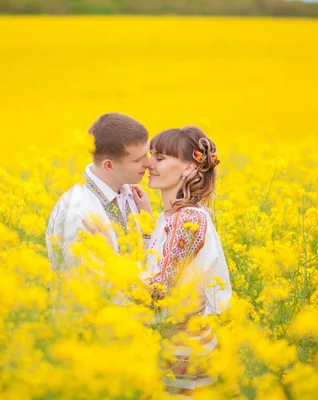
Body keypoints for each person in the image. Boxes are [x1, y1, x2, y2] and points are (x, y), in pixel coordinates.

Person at [132, 126, 232, 397]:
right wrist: (146, 221)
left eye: (161, 158)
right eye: (152, 155)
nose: (150, 163)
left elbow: (157, 291)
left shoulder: (186, 220)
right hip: (182, 338)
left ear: (188, 168)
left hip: (183, 347)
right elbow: (164, 265)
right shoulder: (177, 216)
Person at [46, 112, 152, 270]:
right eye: (138, 160)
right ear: (109, 165)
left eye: (147, 154)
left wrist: (148, 226)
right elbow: (81, 287)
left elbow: (145, 264)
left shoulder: (132, 195)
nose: (149, 163)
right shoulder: (77, 213)